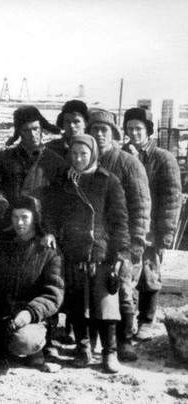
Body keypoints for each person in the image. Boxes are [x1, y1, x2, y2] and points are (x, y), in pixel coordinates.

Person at [44, 135, 130, 373]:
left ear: (93, 154)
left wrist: (121, 252)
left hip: (101, 251)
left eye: (83, 154)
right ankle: (83, 349)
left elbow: (120, 221)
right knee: (77, 304)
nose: (79, 159)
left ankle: (110, 352)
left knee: (106, 305)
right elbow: (51, 214)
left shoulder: (108, 181)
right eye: (74, 154)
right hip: (73, 251)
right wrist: (50, 232)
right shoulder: (63, 182)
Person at [0, 195, 64, 372]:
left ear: (35, 218)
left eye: (25, 217)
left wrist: (30, 313)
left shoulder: (48, 250)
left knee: (25, 341)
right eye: (15, 217)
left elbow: (54, 293)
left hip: (30, 317)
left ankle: (34, 349)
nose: (19, 223)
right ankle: (1, 347)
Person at [87, 108, 151, 362]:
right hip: (95, 243)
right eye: (95, 129)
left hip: (122, 240)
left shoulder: (128, 163)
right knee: (95, 292)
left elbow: (141, 206)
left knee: (123, 290)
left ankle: (124, 341)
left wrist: (135, 245)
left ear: (114, 133)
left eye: (105, 130)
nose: (99, 134)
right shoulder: (85, 161)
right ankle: (92, 341)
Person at [121, 107, 182, 342]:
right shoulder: (122, 154)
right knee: (126, 274)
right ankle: (126, 323)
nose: (134, 133)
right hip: (127, 226)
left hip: (152, 228)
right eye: (130, 128)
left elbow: (171, 198)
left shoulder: (163, 158)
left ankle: (146, 320)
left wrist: (165, 233)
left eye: (139, 128)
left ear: (148, 131)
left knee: (149, 275)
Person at [0, 106, 67, 235]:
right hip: (9, 224)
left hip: (41, 228)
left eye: (35, 128)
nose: (32, 134)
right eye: (27, 130)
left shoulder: (55, 161)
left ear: (42, 129)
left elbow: (59, 199)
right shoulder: (4, 158)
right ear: (19, 132)